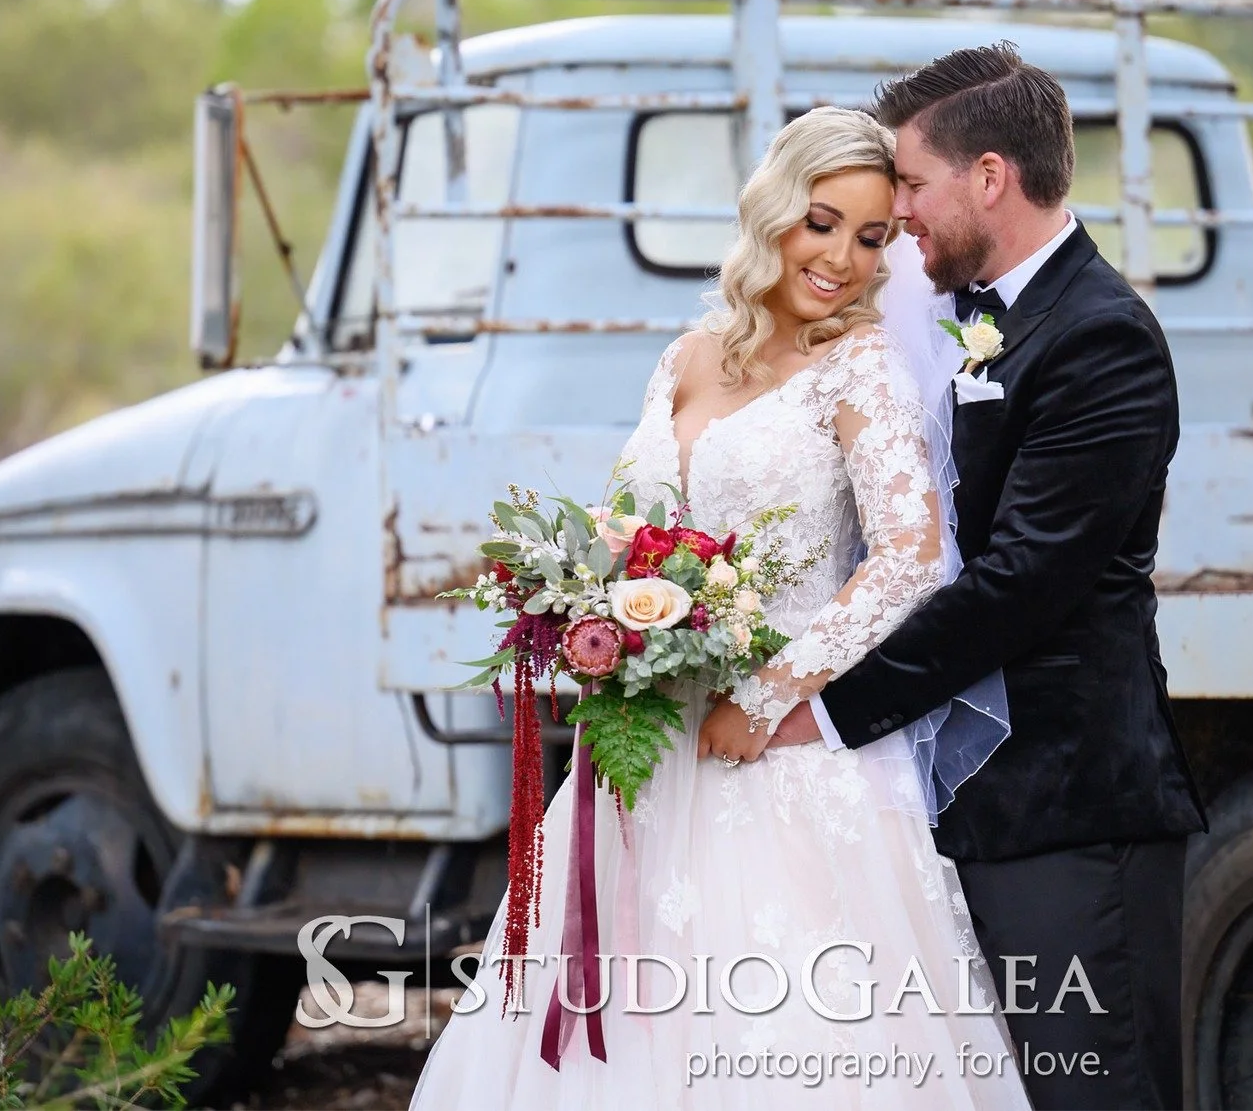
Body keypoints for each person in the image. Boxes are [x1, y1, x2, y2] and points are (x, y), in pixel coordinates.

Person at [408, 106, 1028, 1109]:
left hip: (779, 755)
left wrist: (772, 692)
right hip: (645, 748)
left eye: (871, 238)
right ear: (773, 210)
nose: (841, 259)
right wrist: (598, 615)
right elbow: (630, 525)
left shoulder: (859, 364)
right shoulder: (687, 356)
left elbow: (911, 558)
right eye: (821, 223)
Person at [771, 44, 1207, 1109]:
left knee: (1093, 1094)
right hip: (962, 809)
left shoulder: (1100, 337)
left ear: (991, 177)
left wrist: (821, 710)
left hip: (1068, 814)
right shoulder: (969, 317)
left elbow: (1019, 585)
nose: (899, 212)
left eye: (913, 184)